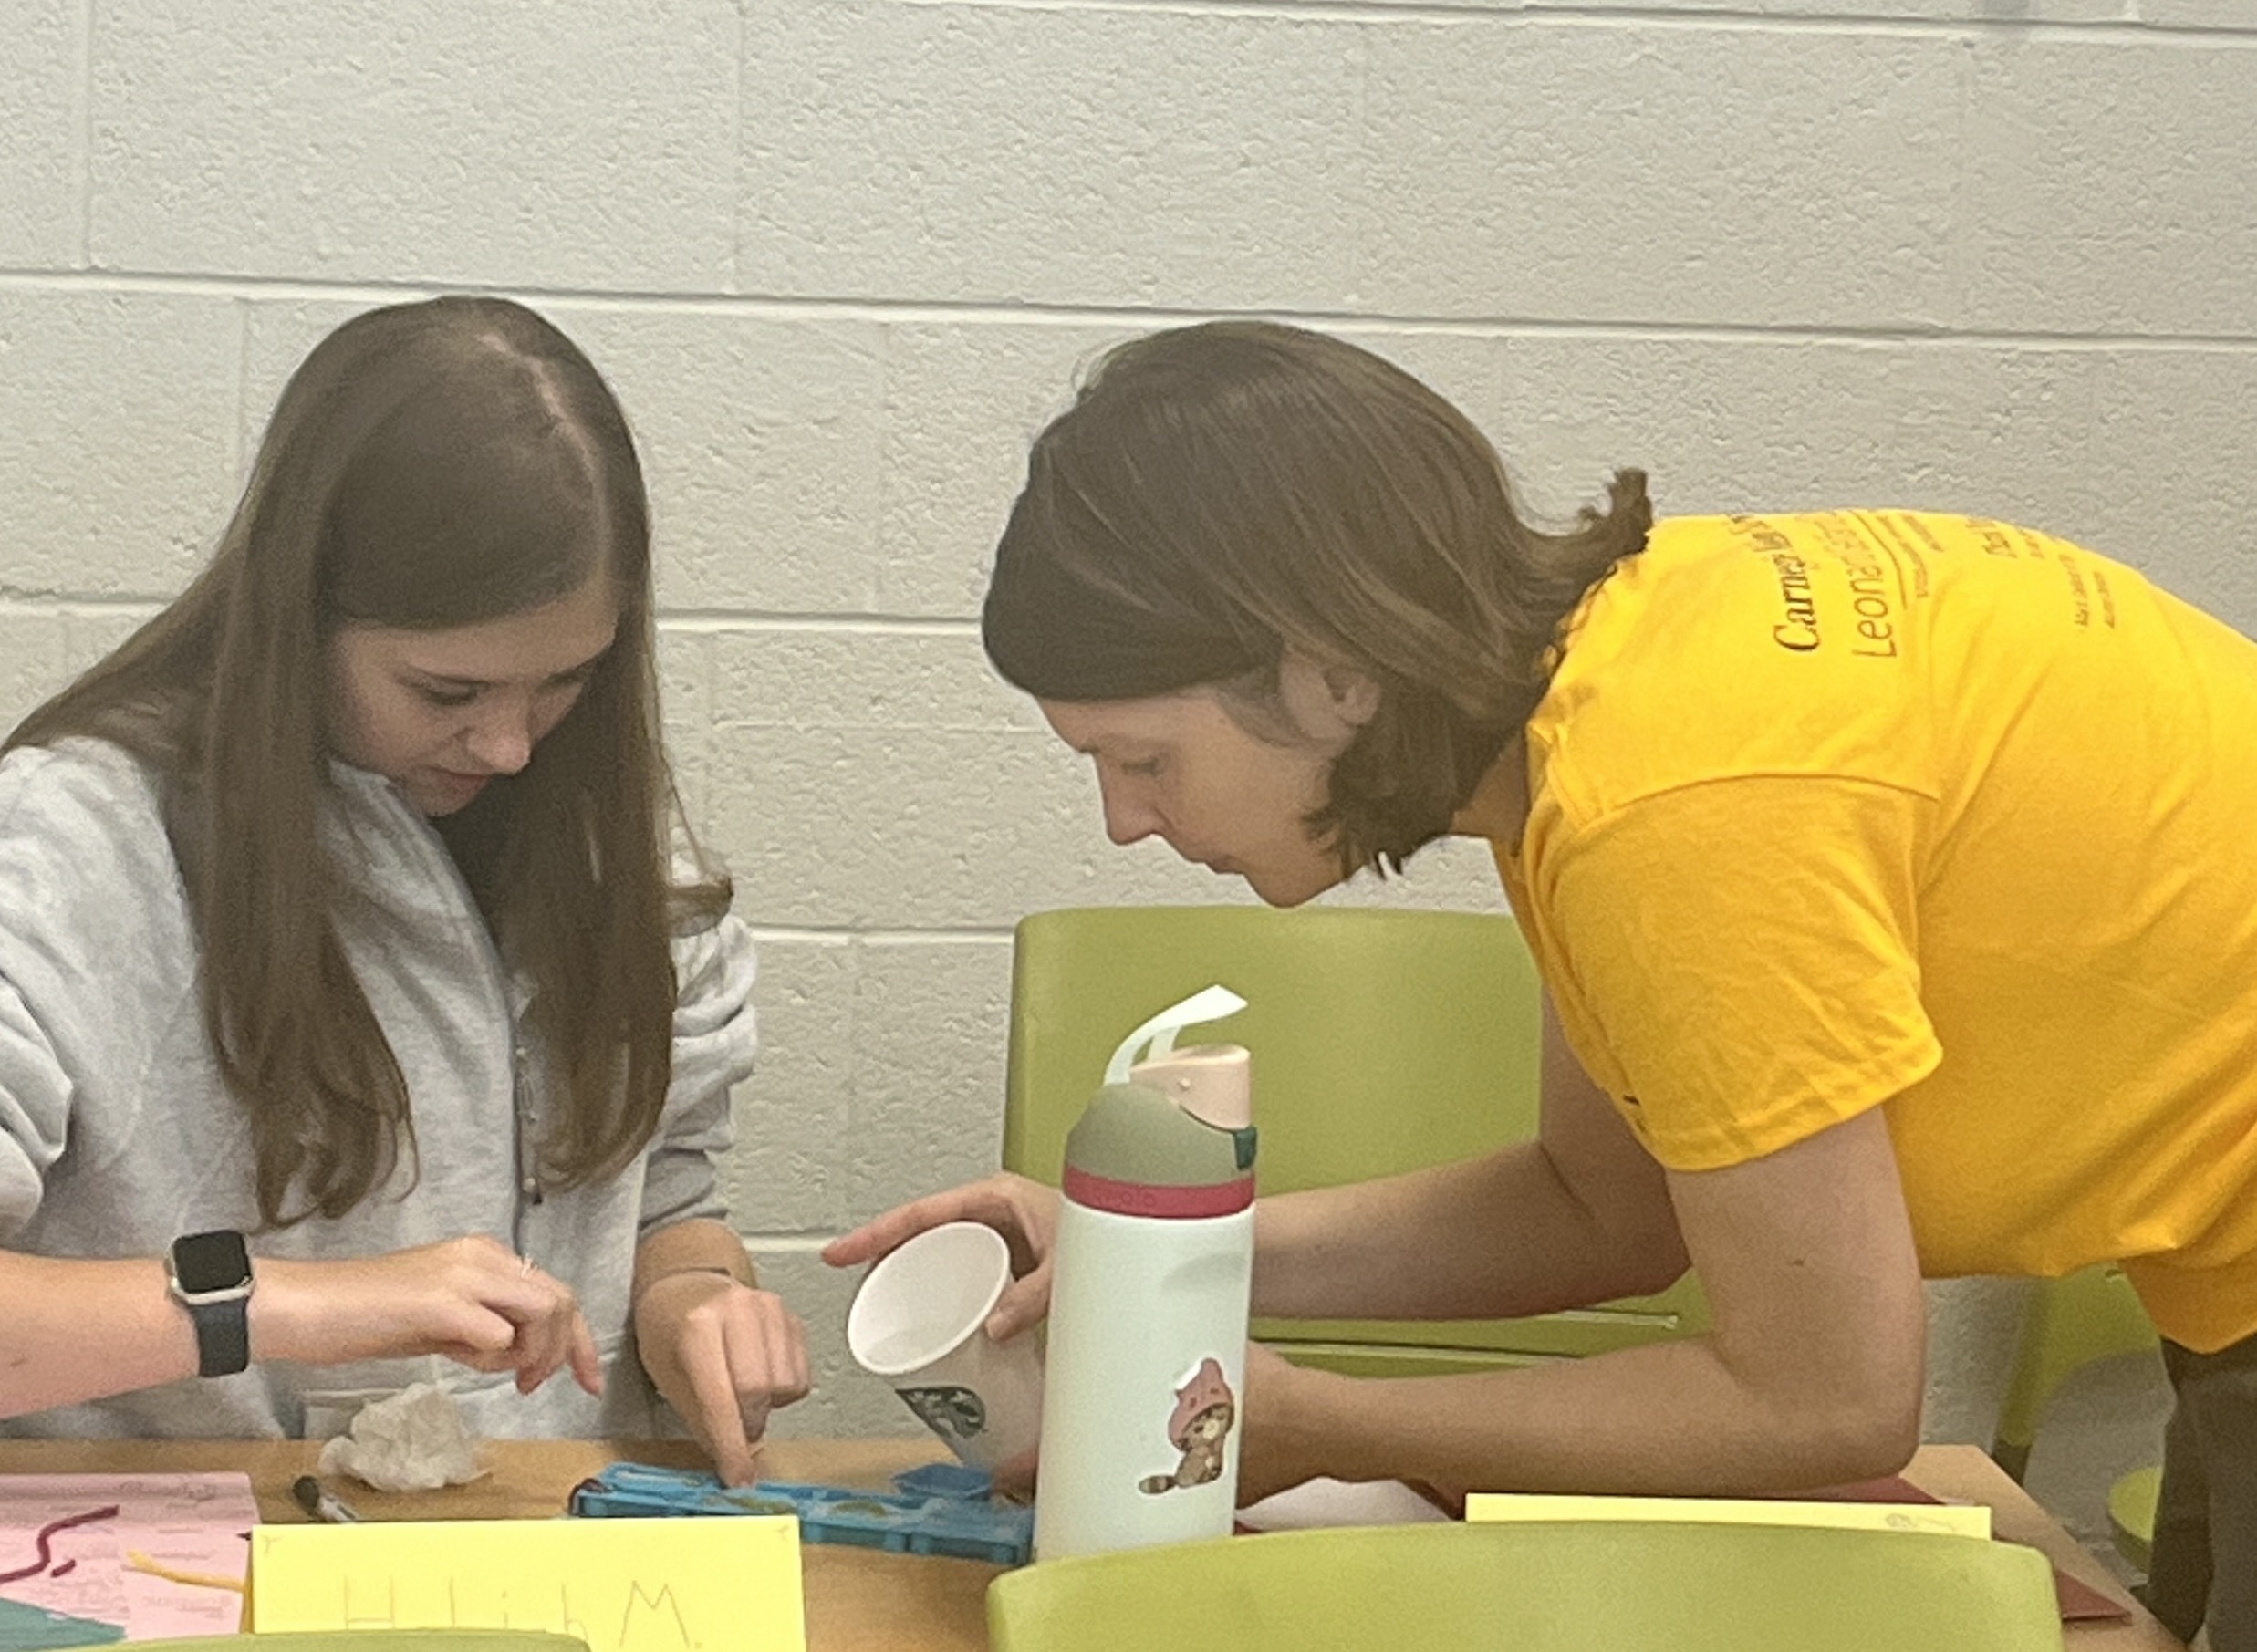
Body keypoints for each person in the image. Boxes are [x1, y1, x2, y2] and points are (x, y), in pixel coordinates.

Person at [826, 320, 2257, 1649]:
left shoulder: (1678, 806)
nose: (1125, 822)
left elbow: (1822, 1400)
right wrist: (1139, 1254)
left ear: (1329, 677)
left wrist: (1324, 1421)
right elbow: (1603, 1213)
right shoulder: (1615, 696)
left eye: (1141, 760)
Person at [0, 296, 806, 1484]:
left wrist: (693, 1298)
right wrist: (289, 1307)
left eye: (564, 682)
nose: (508, 746)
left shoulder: (606, 835)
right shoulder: (73, 845)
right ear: (300, 619)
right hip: (172, 1565)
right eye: (445, 691)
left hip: (527, 1547)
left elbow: (666, 1190)